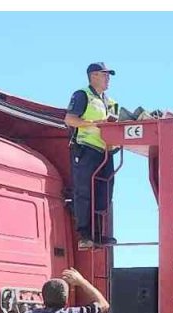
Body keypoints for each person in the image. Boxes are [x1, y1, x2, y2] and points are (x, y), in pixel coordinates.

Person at [64, 62, 121, 250]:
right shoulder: (82, 95)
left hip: (105, 152)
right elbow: (69, 119)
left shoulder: (109, 101)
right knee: (85, 192)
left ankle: (97, 234)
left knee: (103, 194)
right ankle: (85, 235)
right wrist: (97, 123)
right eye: (105, 75)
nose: (108, 79)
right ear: (93, 76)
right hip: (86, 149)